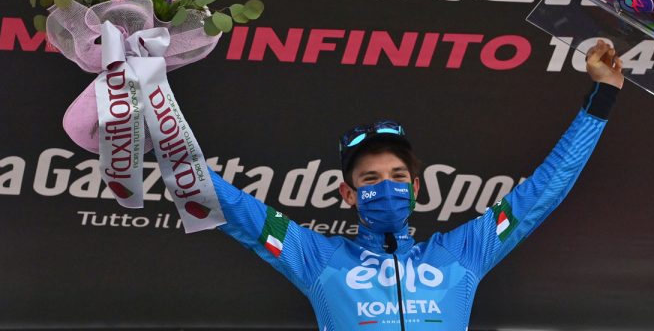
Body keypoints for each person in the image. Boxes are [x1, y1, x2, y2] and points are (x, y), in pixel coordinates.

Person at [206, 40, 624, 330]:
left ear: (417, 188)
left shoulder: (464, 252)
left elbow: (544, 191)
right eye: (370, 179)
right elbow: (226, 203)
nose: (385, 187)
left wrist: (603, 94)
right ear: (347, 194)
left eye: (397, 176)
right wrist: (149, 116)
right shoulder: (316, 257)